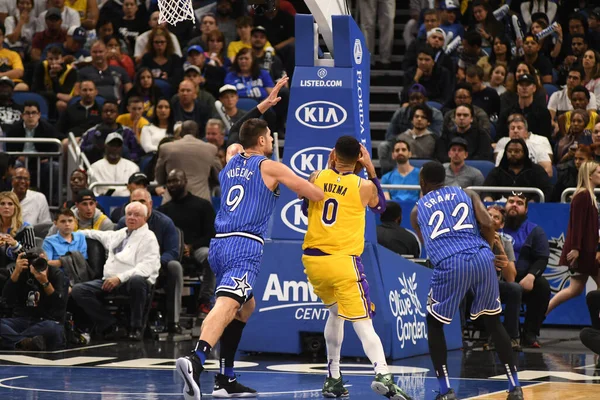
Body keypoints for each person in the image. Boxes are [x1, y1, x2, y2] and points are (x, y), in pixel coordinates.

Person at [176, 76, 324, 400]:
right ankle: (196, 359)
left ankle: (225, 379)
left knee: (246, 306)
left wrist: (265, 105)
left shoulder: (231, 157)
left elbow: (234, 131)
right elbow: (312, 192)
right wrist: (326, 182)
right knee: (228, 305)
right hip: (244, 245)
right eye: (269, 135)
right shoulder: (270, 167)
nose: (272, 139)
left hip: (219, 244)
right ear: (260, 141)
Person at [301, 137, 410, 399]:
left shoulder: (315, 176)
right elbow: (381, 208)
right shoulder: (363, 185)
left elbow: (306, 208)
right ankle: (383, 373)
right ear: (360, 158)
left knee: (336, 314)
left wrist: (328, 169)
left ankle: (333, 378)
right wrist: (372, 171)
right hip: (343, 260)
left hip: (313, 260)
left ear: (333, 153)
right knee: (363, 321)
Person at [410, 162, 523, 400]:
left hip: (450, 261)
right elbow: (488, 223)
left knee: (435, 324)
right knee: (494, 321)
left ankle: (445, 391)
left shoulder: (417, 210)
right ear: (445, 179)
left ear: (422, 182)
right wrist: (492, 251)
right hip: (481, 256)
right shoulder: (467, 192)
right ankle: (515, 387)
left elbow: (429, 247)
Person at [71, 202, 160, 341]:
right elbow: (97, 234)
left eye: (136, 215)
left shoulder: (149, 237)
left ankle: (136, 328)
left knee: (137, 280)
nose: (131, 217)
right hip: (108, 280)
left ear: (145, 217)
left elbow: (145, 268)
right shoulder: (119, 234)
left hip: (132, 283)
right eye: (129, 214)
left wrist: (119, 278)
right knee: (78, 290)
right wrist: (71, 232)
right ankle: (111, 325)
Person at [115, 188, 184, 334]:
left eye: (142, 201)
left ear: (150, 204)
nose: (139, 204)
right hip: (130, 269)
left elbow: (172, 252)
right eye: (134, 201)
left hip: (159, 271)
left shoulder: (165, 223)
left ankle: (173, 321)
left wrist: (152, 263)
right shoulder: (123, 223)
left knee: (175, 266)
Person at [159, 168, 216, 319]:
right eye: (169, 182)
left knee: (212, 256)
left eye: (176, 180)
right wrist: (175, 247)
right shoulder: (163, 210)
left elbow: (211, 234)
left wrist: (191, 247)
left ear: (185, 182)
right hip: (171, 251)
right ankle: (160, 305)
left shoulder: (203, 205)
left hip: (197, 249)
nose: (172, 185)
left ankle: (204, 302)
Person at [547, 161, 600, 315]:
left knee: (574, 290)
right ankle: (538, 317)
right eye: (598, 172)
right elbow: (576, 225)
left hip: (587, 251)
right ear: (589, 176)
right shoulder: (582, 196)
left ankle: (539, 316)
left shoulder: (588, 196)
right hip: (584, 252)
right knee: (574, 289)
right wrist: (576, 248)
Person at [501, 193, 551, 348]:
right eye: (510, 201)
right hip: (495, 277)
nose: (514, 205)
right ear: (505, 205)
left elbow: (542, 258)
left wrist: (531, 276)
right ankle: (490, 331)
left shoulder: (534, 230)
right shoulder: (495, 226)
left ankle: (530, 333)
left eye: (519, 203)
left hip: (522, 277)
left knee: (542, 286)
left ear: (526, 209)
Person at [0, 248, 67, 350]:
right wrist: (16, 272)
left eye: (42, 260)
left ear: (47, 260)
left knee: (53, 328)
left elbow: (59, 305)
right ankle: (24, 341)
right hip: (23, 320)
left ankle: (14, 340)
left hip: (47, 321)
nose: (38, 265)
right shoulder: (23, 272)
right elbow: (6, 300)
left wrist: (45, 282)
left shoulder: (57, 274)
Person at [88, 132, 140, 197]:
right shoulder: (94, 168)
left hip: (127, 201)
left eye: (118, 145)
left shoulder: (133, 167)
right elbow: (92, 191)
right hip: (103, 201)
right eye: (112, 145)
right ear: (105, 146)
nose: (115, 148)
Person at [0, 191, 36, 264]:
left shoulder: (26, 228)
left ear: (16, 208)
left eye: (10, 204)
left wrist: (15, 245)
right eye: (2, 204)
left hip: (16, 270)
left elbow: (32, 258)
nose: (6, 207)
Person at [381, 140, 420, 204]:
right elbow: (387, 201)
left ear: (410, 154)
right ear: (393, 155)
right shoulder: (386, 177)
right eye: (397, 150)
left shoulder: (420, 175)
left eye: (404, 150)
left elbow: (423, 198)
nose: (400, 152)